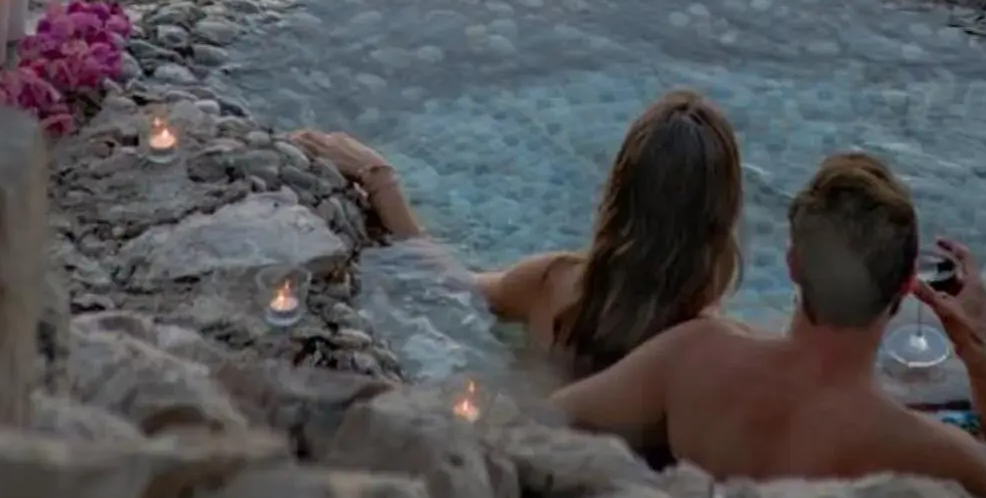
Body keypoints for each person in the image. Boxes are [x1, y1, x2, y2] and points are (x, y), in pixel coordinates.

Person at [551, 149, 986, 498]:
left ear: (793, 264)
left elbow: (546, 418)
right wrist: (978, 349)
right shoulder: (928, 449)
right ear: (906, 287)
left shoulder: (692, 355)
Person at [296, 86, 745, 377]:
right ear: (721, 224)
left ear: (619, 192)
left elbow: (445, 282)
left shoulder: (556, 286)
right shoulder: (716, 352)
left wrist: (381, 180)